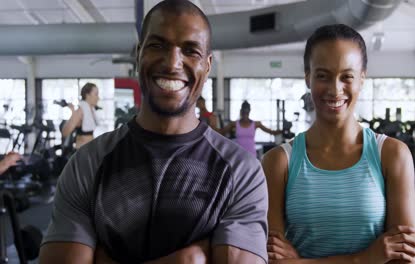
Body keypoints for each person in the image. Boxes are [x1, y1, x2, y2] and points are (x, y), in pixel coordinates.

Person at [39, 1, 268, 263]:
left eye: (191, 50)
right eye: (157, 45)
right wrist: (189, 259)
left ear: (207, 65)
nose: (172, 63)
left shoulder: (242, 172)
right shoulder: (87, 164)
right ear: (138, 55)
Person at [262, 24, 415, 264]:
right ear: (308, 77)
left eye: (347, 76)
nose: (335, 89)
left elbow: (407, 260)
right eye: (323, 76)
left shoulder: (392, 155)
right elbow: (272, 260)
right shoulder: (278, 162)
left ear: (362, 78)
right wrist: (365, 259)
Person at [61, 82, 100, 149]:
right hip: (82, 153)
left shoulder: (91, 110)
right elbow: (65, 132)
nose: (98, 98)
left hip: (90, 152)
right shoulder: (80, 111)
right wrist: (73, 113)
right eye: (96, 94)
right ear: (87, 95)